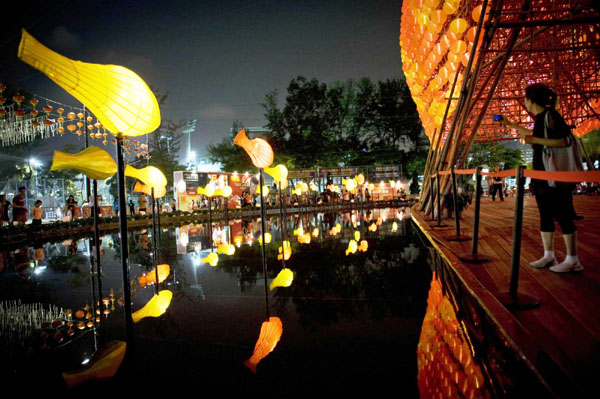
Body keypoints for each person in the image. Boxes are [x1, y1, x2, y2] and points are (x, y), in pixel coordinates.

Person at [501, 83, 582, 273]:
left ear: (531, 100)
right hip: (541, 177)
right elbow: (534, 137)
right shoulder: (540, 118)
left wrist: (535, 140)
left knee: (564, 214)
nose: (524, 102)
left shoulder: (551, 115)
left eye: (525, 99)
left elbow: (564, 140)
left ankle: (573, 259)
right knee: (545, 215)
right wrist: (510, 124)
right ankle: (549, 255)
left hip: (554, 176)